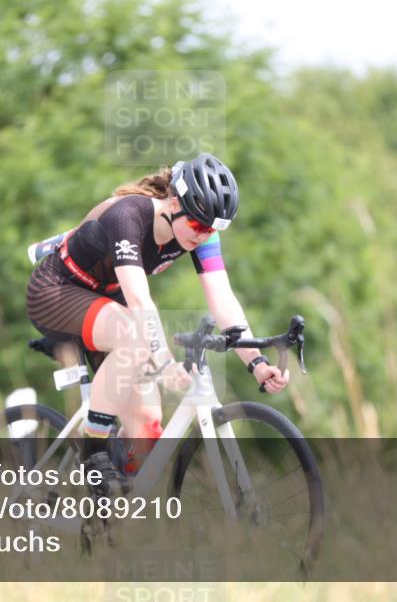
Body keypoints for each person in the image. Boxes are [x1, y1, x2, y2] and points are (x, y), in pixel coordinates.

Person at [25, 153, 290, 496]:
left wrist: (256, 363)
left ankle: (107, 519)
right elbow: (138, 301)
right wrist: (164, 362)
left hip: (107, 303)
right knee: (135, 337)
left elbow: (223, 301)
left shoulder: (199, 231)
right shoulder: (128, 215)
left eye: (211, 229)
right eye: (197, 225)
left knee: (147, 430)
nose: (202, 235)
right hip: (56, 292)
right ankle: (93, 451)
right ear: (174, 202)